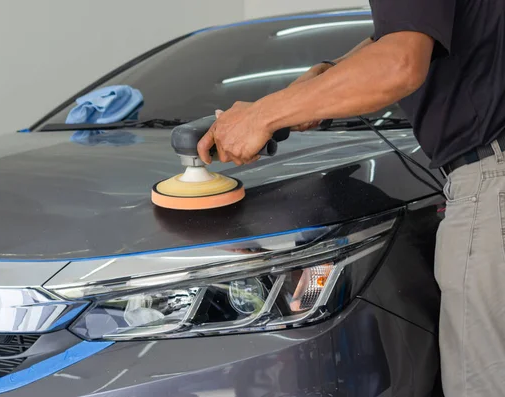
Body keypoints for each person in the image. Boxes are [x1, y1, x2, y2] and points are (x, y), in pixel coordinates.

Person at [197, 1, 505, 396]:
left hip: (489, 179)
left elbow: (399, 63)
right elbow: (404, 36)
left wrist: (262, 116)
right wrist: (323, 81)